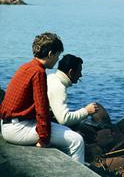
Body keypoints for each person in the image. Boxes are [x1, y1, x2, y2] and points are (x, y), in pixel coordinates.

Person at [0, 33, 85, 163]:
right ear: (51, 54)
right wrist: (43, 140)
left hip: (8, 124)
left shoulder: (27, 66)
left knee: (66, 131)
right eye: (57, 55)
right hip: (17, 129)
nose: (57, 60)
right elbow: (42, 109)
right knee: (76, 140)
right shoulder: (38, 73)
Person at [47, 54, 99, 128]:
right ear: (71, 72)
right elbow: (64, 120)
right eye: (79, 71)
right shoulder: (58, 87)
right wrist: (86, 111)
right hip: (39, 125)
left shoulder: (51, 77)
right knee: (78, 139)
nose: (80, 75)